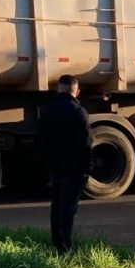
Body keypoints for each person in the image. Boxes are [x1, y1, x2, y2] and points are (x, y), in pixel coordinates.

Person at [38, 74, 93, 254]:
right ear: (76, 91)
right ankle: (65, 247)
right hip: (74, 168)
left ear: (58, 89)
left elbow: (41, 140)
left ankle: (56, 243)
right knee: (68, 208)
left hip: (55, 166)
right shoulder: (79, 112)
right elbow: (86, 143)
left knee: (57, 205)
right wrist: (87, 167)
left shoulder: (47, 111)